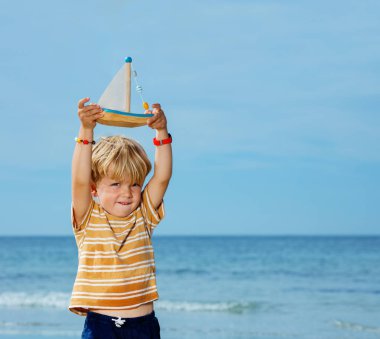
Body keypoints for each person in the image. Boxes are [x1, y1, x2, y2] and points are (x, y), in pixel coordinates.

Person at [69, 97, 172, 339]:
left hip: (144, 326)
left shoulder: (144, 214)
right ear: (95, 189)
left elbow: (162, 177)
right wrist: (86, 129)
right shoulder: (88, 217)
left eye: (135, 184)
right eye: (115, 184)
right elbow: (80, 180)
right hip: (101, 327)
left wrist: (161, 131)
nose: (126, 192)